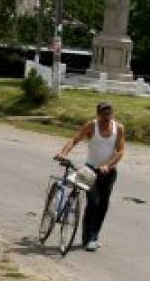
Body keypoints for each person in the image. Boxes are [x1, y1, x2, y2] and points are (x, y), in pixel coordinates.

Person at [54, 101, 126, 251]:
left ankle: (94, 236)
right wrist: (63, 153)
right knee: (93, 203)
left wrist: (107, 165)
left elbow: (119, 151)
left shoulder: (118, 128)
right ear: (98, 114)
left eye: (109, 113)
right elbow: (75, 139)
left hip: (108, 172)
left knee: (103, 205)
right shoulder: (91, 126)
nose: (107, 117)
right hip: (90, 170)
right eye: (104, 114)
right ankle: (89, 238)